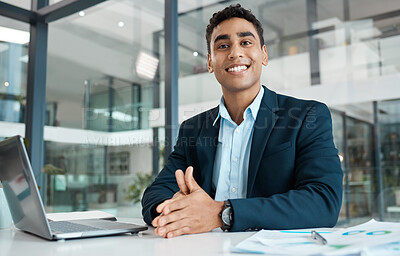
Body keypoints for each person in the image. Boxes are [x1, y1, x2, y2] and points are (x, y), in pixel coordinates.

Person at [141, 4, 343, 239]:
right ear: (210, 62)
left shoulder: (307, 116)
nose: (235, 53)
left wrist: (222, 213)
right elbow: (156, 193)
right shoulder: (193, 130)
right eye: (223, 45)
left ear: (264, 55)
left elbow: (323, 201)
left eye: (246, 42)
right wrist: (176, 209)